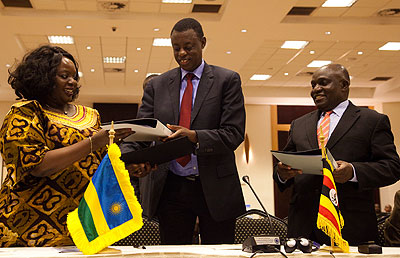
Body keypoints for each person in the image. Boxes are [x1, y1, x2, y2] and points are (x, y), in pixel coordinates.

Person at [0, 45, 149, 247]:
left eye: (74, 77)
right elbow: (36, 165)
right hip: (30, 224)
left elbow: (96, 165)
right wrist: (93, 142)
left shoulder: (90, 115)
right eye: (64, 76)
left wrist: (130, 168)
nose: (72, 82)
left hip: (79, 222)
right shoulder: (25, 113)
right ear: (43, 77)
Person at [129, 17, 246, 244]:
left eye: (188, 47)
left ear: (202, 42)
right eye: (176, 48)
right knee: (175, 252)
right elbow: (141, 131)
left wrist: (194, 137)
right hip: (171, 187)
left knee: (219, 252)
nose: (182, 53)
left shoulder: (227, 80)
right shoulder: (157, 85)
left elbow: (234, 133)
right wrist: (130, 157)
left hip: (215, 186)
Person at [273, 63, 400, 246]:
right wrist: (281, 173)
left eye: (323, 83)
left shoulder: (372, 121)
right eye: (313, 85)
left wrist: (353, 171)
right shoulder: (299, 124)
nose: (316, 89)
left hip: (350, 227)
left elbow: (393, 167)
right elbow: (284, 166)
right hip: (303, 227)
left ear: (344, 85)